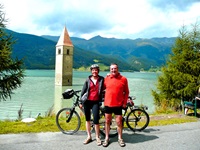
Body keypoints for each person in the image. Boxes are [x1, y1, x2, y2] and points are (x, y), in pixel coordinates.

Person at [103, 63, 129, 147]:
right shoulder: (106, 79)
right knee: (107, 121)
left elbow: (127, 92)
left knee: (119, 122)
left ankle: (120, 138)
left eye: (115, 69)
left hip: (118, 104)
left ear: (118, 69)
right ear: (110, 70)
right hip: (108, 104)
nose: (113, 70)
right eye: (112, 69)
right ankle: (106, 138)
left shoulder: (123, 79)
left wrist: (124, 102)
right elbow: (100, 88)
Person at [79, 64, 104, 146]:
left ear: (98, 71)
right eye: (93, 70)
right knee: (88, 120)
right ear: (91, 71)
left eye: (96, 70)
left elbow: (106, 85)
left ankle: (97, 137)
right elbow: (83, 91)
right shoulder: (88, 80)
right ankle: (89, 136)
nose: (94, 71)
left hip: (96, 102)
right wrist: (81, 102)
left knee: (96, 120)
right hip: (87, 101)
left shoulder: (101, 79)